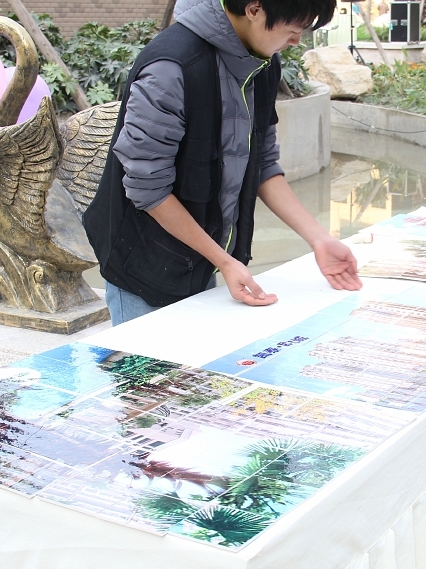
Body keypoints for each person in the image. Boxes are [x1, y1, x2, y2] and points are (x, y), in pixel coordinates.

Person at [83, 0, 361, 326]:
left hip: (202, 257)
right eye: (293, 29)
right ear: (254, 9)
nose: (296, 40)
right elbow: (148, 188)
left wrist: (319, 239)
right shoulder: (171, 68)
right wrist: (225, 261)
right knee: (148, 359)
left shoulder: (261, 64)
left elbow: (263, 164)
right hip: (142, 263)